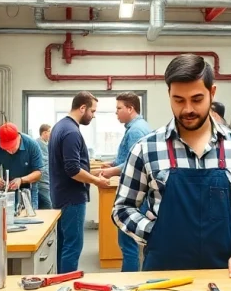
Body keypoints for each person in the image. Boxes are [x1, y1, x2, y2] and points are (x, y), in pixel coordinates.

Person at [112, 54, 231, 281]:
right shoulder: (146, 149)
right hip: (163, 276)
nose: (188, 109)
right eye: (179, 100)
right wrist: (155, 233)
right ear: (169, 95)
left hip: (225, 275)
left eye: (197, 99)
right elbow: (122, 208)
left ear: (212, 93)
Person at [49, 92, 109, 273]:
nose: (94, 115)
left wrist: (94, 171)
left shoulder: (60, 127)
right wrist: (97, 181)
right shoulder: (72, 132)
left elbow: (69, 165)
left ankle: (60, 281)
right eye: (93, 110)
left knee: (64, 243)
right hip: (72, 197)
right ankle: (67, 284)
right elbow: (73, 170)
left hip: (60, 194)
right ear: (82, 108)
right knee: (73, 246)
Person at [98, 92, 153, 272]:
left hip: (136, 193)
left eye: (119, 108)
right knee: (129, 241)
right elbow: (128, 156)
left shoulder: (137, 130)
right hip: (138, 191)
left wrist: (110, 171)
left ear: (130, 108)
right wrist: (113, 164)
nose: (116, 113)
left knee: (128, 241)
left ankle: (128, 285)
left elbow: (135, 163)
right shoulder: (135, 127)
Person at [0, 122, 43, 210]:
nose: (10, 151)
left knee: (29, 219)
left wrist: (21, 180)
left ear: (18, 137)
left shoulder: (32, 145)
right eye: (6, 148)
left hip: (28, 190)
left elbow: (38, 173)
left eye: (12, 146)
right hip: (8, 190)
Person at [35, 124, 52, 210]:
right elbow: (42, 163)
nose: (51, 134)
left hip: (48, 180)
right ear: (44, 133)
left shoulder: (47, 144)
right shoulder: (36, 144)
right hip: (41, 181)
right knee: (48, 205)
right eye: (50, 131)